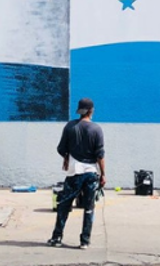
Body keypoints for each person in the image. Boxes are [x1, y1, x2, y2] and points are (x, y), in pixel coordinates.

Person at [49, 97, 105, 250]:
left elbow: (61, 148)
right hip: (91, 174)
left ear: (80, 111)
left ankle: (57, 237)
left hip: (74, 172)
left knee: (64, 205)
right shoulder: (96, 129)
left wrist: (67, 157)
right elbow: (100, 155)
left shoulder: (70, 126)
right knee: (89, 207)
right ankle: (84, 241)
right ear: (91, 110)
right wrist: (103, 174)